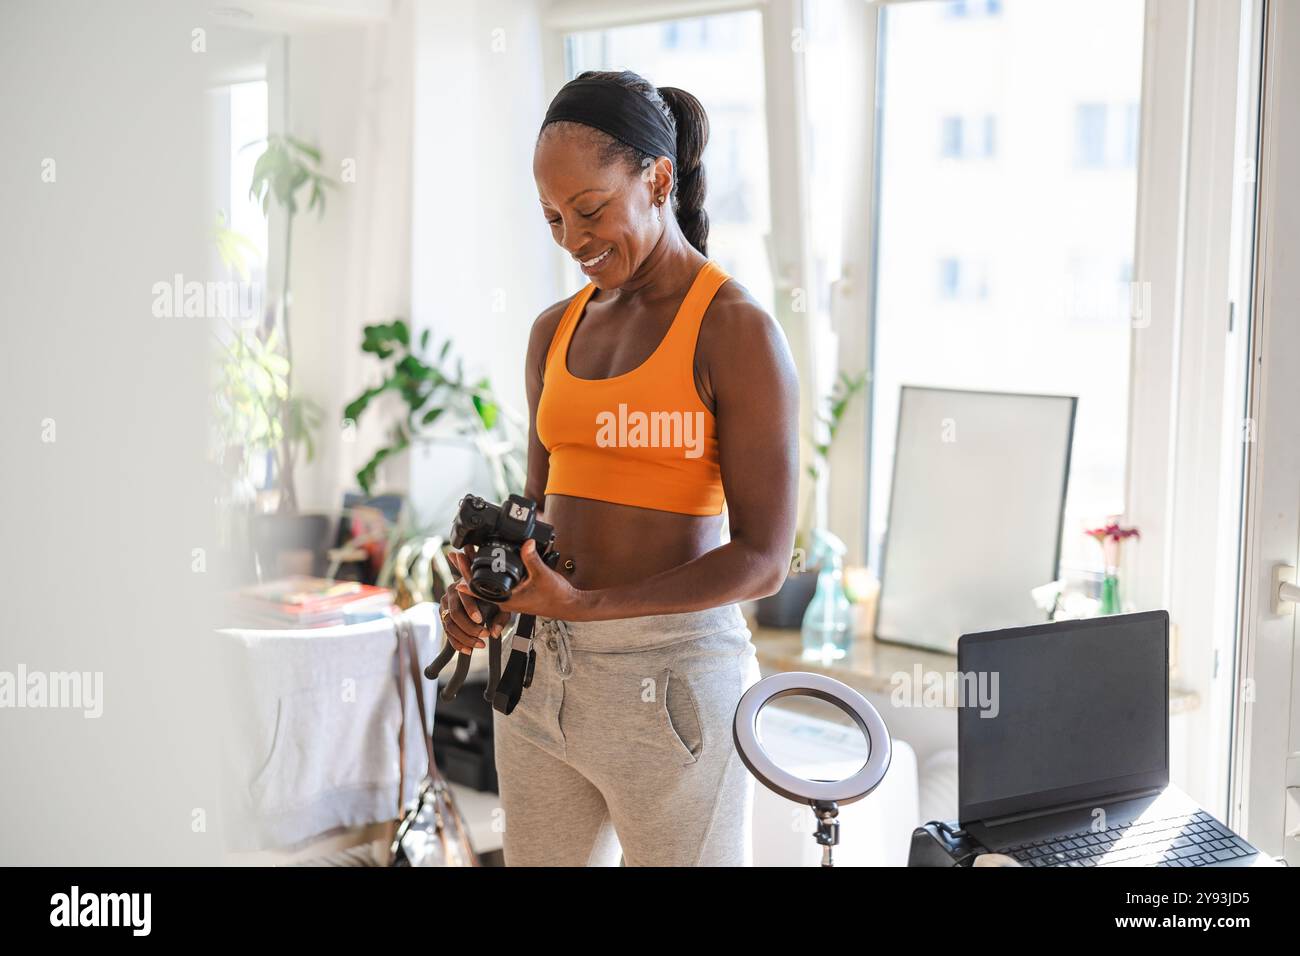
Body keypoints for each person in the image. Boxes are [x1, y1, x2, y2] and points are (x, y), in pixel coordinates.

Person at [437, 69, 799, 866]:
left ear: (658, 179)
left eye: (591, 211)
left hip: (672, 688)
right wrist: (482, 592)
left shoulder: (734, 330)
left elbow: (766, 560)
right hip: (539, 677)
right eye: (554, 219)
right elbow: (538, 510)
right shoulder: (551, 331)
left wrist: (588, 602)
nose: (572, 240)